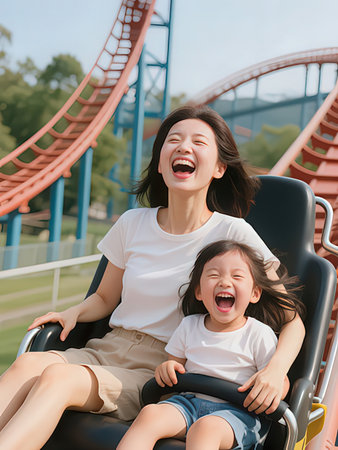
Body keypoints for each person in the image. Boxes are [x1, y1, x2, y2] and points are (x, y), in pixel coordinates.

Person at [0, 106, 305, 450]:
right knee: (28, 363)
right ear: (160, 164)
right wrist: (74, 312)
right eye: (173, 140)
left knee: (57, 378)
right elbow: (104, 299)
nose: (183, 147)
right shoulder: (132, 223)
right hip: (107, 347)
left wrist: (276, 370)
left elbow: (292, 320)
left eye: (198, 142)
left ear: (220, 167)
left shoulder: (233, 235)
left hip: (163, 367)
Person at [117, 240, 305, 450]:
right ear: (198, 292)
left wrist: (274, 389)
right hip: (189, 403)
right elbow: (174, 366)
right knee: (150, 414)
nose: (225, 282)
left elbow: (277, 381)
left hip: (237, 413)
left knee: (205, 429)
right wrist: (167, 369)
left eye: (237, 276)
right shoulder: (189, 326)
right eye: (214, 275)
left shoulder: (259, 334)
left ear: (255, 293)